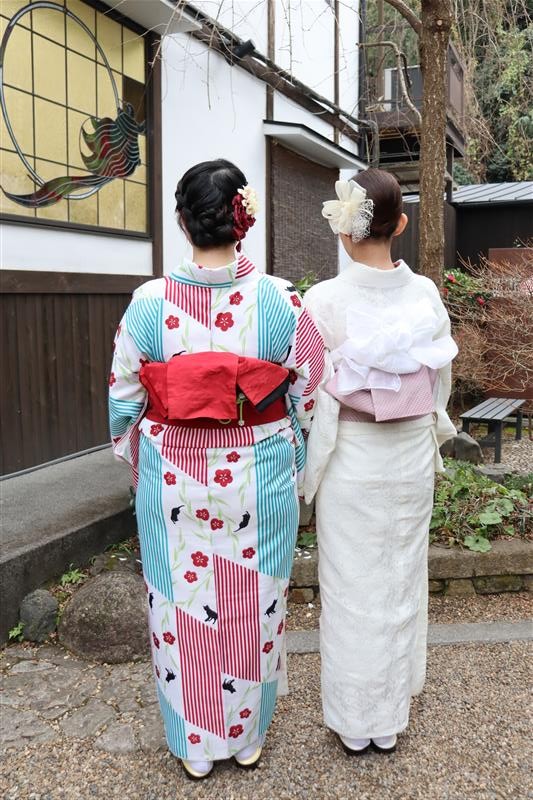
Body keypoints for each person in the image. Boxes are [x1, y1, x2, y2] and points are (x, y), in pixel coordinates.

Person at [108, 159, 324, 779]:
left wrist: (139, 457)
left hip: (172, 475)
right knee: (255, 601)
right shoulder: (282, 299)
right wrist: (292, 448)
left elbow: (124, 397)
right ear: (242, 219)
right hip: (259, 473)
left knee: (179, 602)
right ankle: (246, 736)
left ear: (182, 221)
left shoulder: (148, 302)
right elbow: (308, 389)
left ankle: (194, 743)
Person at [303, 169, 457, 756]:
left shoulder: (323, 300)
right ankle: (390, 715)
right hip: (410, 452)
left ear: (345, 231)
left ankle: (356, 719)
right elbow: (440, 380)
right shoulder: (425, 295)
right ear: (401, 224)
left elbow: (309, 389)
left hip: (351, 455)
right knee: (399, 577)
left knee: (350, 587)